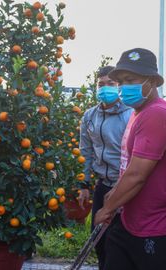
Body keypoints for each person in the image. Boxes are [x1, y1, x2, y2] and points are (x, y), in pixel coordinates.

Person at [95, 48, 166, 270]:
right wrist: (115, 193)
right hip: (129, 220)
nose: (124, 87)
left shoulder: (156, 113)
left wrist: (106, 209)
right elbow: (128, 165)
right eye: (122, 82)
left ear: (153, 81)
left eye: (131, 80)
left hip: (151, 227)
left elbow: (137, 175)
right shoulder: (138, 112)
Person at [78, 66, 132, 269]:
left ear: (118, 86)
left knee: (119, 243)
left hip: (125, 187)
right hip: (103, 186)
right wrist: (84, 184)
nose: (106, 88)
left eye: (111, 83)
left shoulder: (129, 115)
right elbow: (85, 153)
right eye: (101, 84)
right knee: (99, 240)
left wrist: (123, 185)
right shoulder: (89, 116)